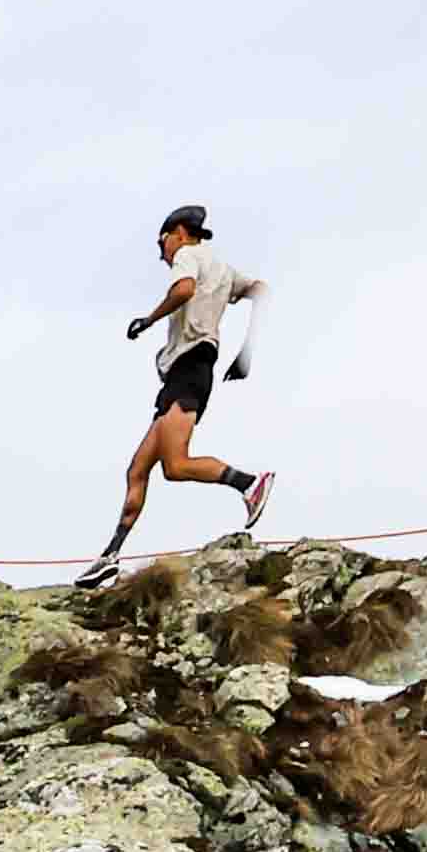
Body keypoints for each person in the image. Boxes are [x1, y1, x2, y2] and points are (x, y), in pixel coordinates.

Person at [78, 205, 273, 585]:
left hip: (190, 367)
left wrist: (148, 320)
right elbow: (261, 291)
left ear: (179, 232)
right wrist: (246, 352)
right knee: (138, 469)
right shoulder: (223, 269)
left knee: (177, 465)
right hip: (182, 375)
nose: (162, 253)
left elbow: (184, 289)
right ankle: (110, 556)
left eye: (161, 242)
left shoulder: (187, 255)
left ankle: (250, 483)